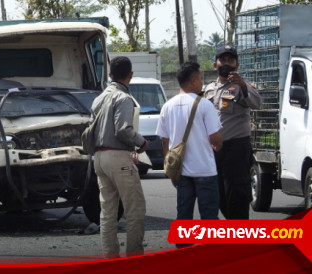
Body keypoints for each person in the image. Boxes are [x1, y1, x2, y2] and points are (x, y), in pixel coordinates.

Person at [91, 56, 149, 257]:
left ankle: (110, 259)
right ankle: (134, 258)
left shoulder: (99, 99)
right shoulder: (123, 98)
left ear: (110, 74)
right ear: (130, 76)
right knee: (135, 210)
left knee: (107, 213)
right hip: (118, 157)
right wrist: (141, 142)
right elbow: (123, 131)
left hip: (99, 158)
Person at [156, 62, 223, 226]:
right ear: (193, 81)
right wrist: (218, 145)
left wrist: (171, 169)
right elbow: (215, 138)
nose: (202, 82)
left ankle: (182, 247)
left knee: (183, 216)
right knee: (209, 218)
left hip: (181, 172)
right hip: (205, 171)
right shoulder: (205, 105)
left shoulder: (167, 106)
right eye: (201, 78)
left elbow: (165, 142)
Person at [204, 45, 261, 220]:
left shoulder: (242, 86)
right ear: (215, 64)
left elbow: (257, 103)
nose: (226, 63)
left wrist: (242, 84)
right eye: (223, 59)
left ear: (236, 64)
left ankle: (240, 239)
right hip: (214, 151)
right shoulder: (209, 88)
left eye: (231, 60)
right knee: (218, 194)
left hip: (236, 148)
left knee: (237, 195)